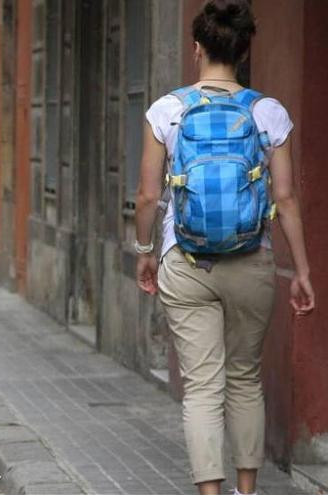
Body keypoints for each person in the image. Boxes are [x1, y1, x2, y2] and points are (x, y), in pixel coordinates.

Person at [134, 2, 315, 495]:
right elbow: (285, 197)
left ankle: (209, 494)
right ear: (244, 49)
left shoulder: (167, 111)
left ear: (197, 48)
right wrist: (300, 269)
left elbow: (149, 195)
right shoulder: (268, 112)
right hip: (252, 259)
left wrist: (145, 250)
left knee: (202, 387)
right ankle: (247, 490)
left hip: (185, 260)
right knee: (244, 379)